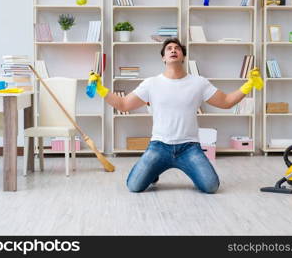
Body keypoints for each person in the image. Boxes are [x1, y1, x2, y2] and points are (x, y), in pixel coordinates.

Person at [89, 38, 263, 193]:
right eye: (169, 49)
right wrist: (100, 88)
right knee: (134, 186)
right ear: (163, 58)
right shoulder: (151, 83)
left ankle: (178, 170)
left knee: (211, 187)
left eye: (177, 48)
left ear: (182, 57)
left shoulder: (198, 83)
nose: (173, 50)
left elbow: (226, 102)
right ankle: (154, 171)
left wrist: (249, 85)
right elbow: (123, 104)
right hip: (159, 146)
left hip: (189, 147)